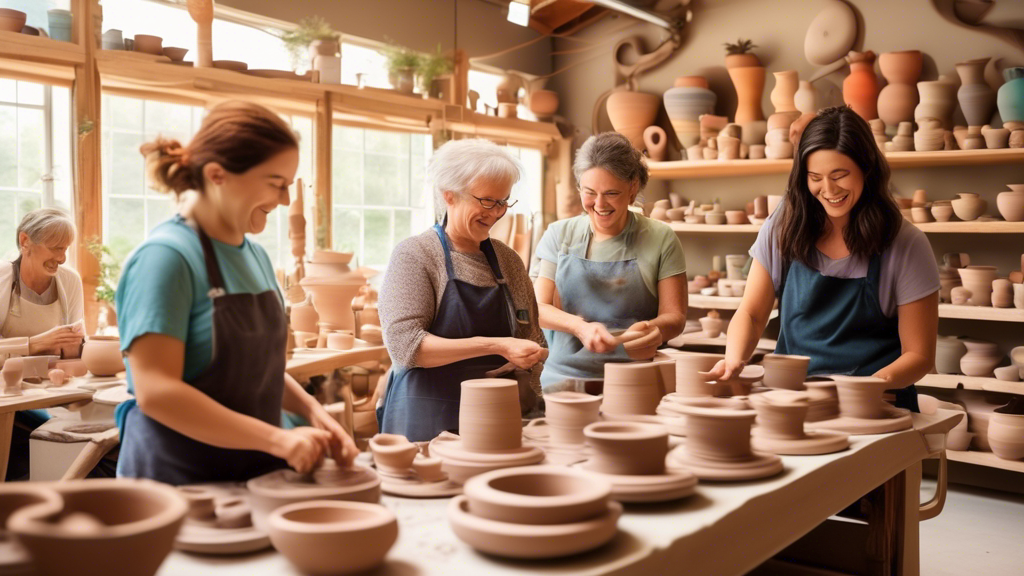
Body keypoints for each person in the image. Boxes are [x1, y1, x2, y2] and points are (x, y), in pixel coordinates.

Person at [115, 101, 356, 485]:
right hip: (180, 481)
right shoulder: (166, 258)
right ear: (217, 175)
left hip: (255, 473)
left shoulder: (256, 257)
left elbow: (261, 371)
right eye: (276, 183)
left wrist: (315, 413)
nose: (284, 201)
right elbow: (156, 392)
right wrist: (278, 439)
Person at [708, 106, 939, 410]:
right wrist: (734, 359)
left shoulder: (905, 243)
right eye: (815, 177)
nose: (828, 190)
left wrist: (869, 387)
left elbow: (919, 355)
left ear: (866, 169)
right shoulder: (785, 225)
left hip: (874, 405)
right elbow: (751, 313)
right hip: (794, 401)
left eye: (840, 175)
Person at [378, 139, 547, 442]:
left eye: (503, 201)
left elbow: (531, 337)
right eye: (486, 201)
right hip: (425, 425)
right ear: (449, 196)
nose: (496, 213)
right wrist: (497, 346)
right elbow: (406, 348)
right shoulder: (416, 255)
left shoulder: (508, 261)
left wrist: (533, 356)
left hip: (496, 422)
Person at [532, 132, 688, 392]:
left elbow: (675, 317)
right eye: (590, 192)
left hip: (636, 381)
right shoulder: (559, 235)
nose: (599, 204)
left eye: (611, 193)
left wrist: (656, 329)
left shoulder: (662, 238)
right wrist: (580, 328)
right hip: (563, 381)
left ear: (632, 189)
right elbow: (538, 307)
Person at [0, 208, 85, 479]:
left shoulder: (69, 280)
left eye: (66, 249)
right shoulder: (2, 277)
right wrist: (35, 344)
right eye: (55, 248)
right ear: (25, 242)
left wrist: (73, 351)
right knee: (46, 433)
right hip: (8, 394)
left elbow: (76, 355)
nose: (61, 258)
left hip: (50, 389)